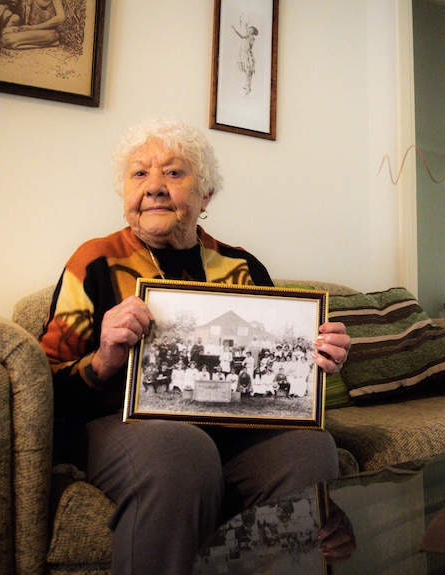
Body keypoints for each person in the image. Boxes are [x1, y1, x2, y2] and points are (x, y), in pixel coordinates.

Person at [40, 118, 354, 574]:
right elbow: (43, 382)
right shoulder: (94, 261)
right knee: (181, 450)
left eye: (173, 172)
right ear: (123, 192)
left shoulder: (240, 266)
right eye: (139, 174)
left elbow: (284, 374)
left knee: (310, 447)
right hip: (120, 425)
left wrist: (321, 360)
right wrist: (104, 358)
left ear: (206, 195)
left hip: (233, 427)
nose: (154, 188)